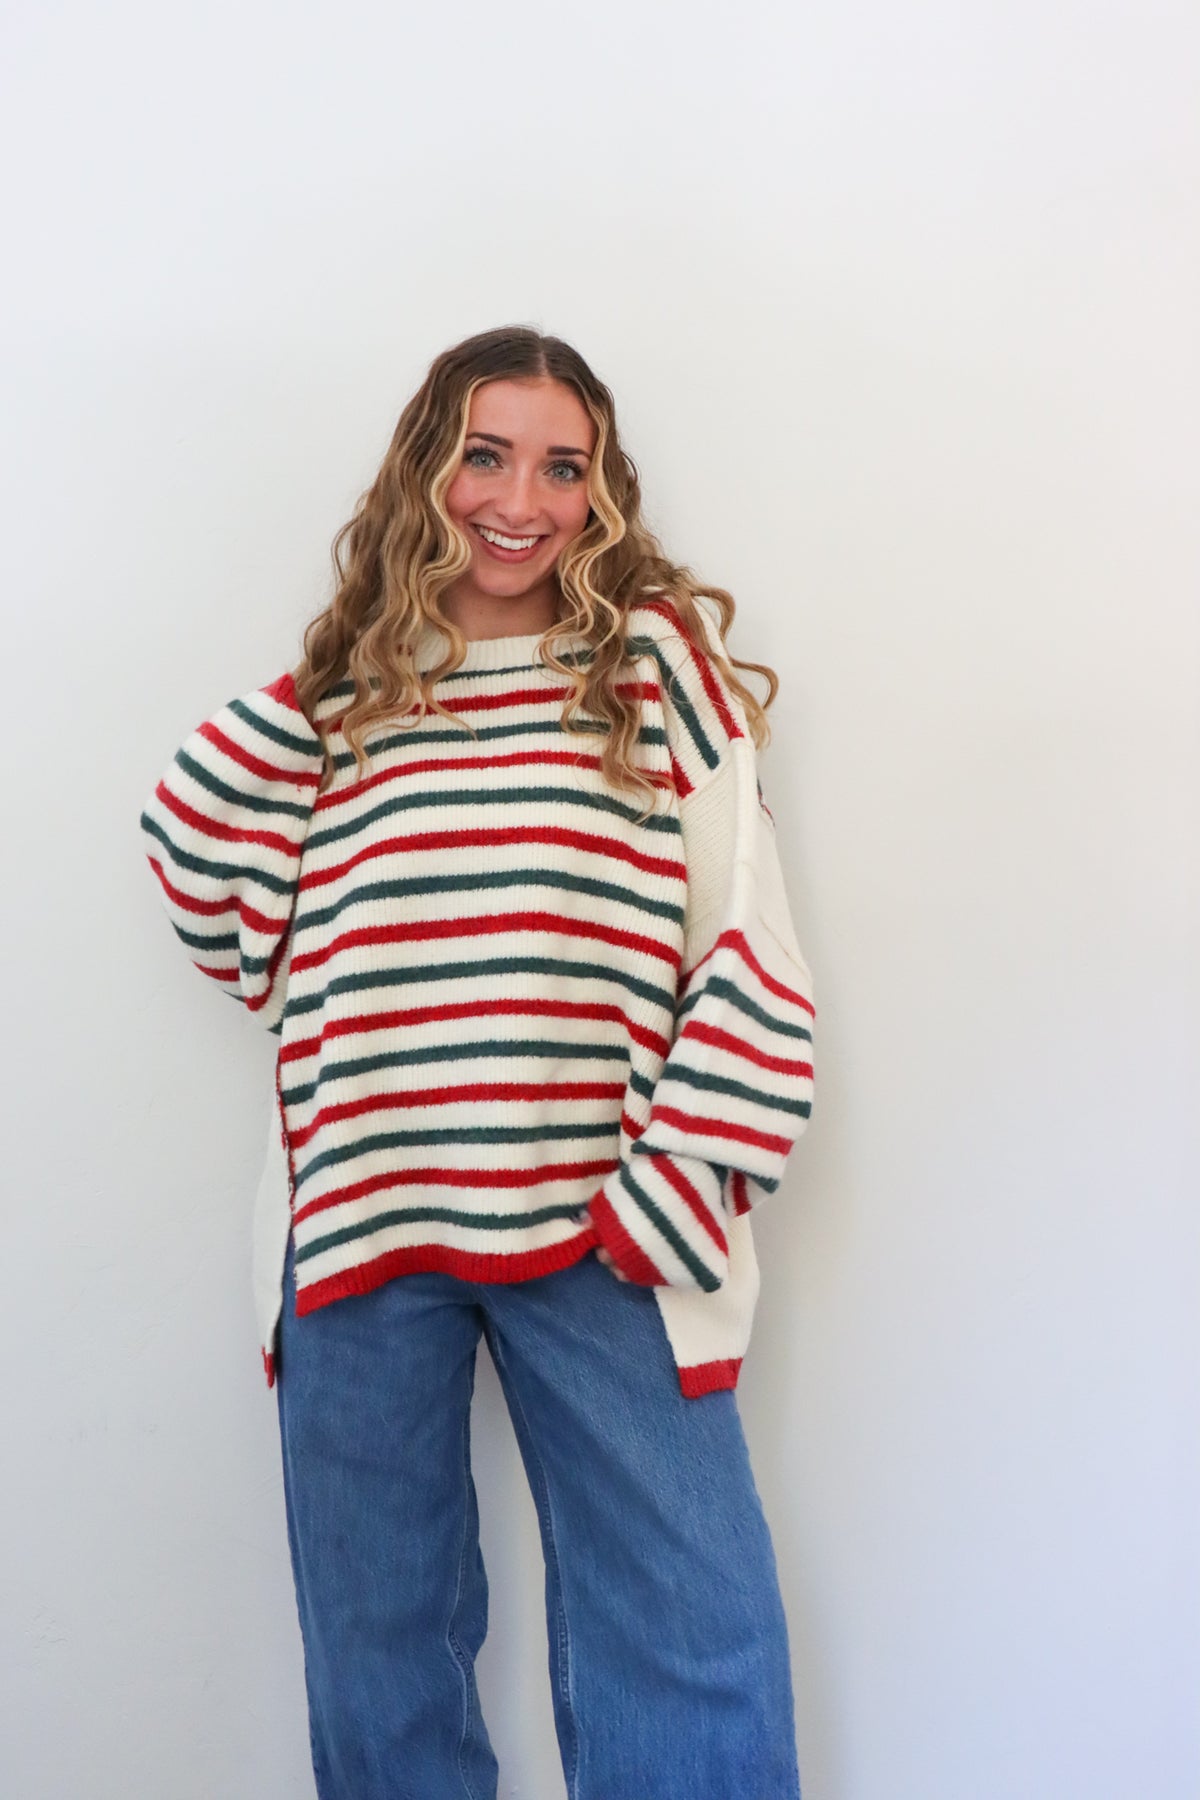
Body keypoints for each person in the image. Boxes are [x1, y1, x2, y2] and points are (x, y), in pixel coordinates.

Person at [139, 325, 816, 1800]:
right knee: (381, 1657)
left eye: (562, 466)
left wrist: (683, 1181)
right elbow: (197, 869)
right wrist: (339, 667)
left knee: (692, 1630)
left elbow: (751, 940)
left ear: (601, 492)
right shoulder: (360, 698)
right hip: (366, 1227)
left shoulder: (644, 670)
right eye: (484, 456)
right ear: (422, 473)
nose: (522, 499)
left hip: (609, 1227)